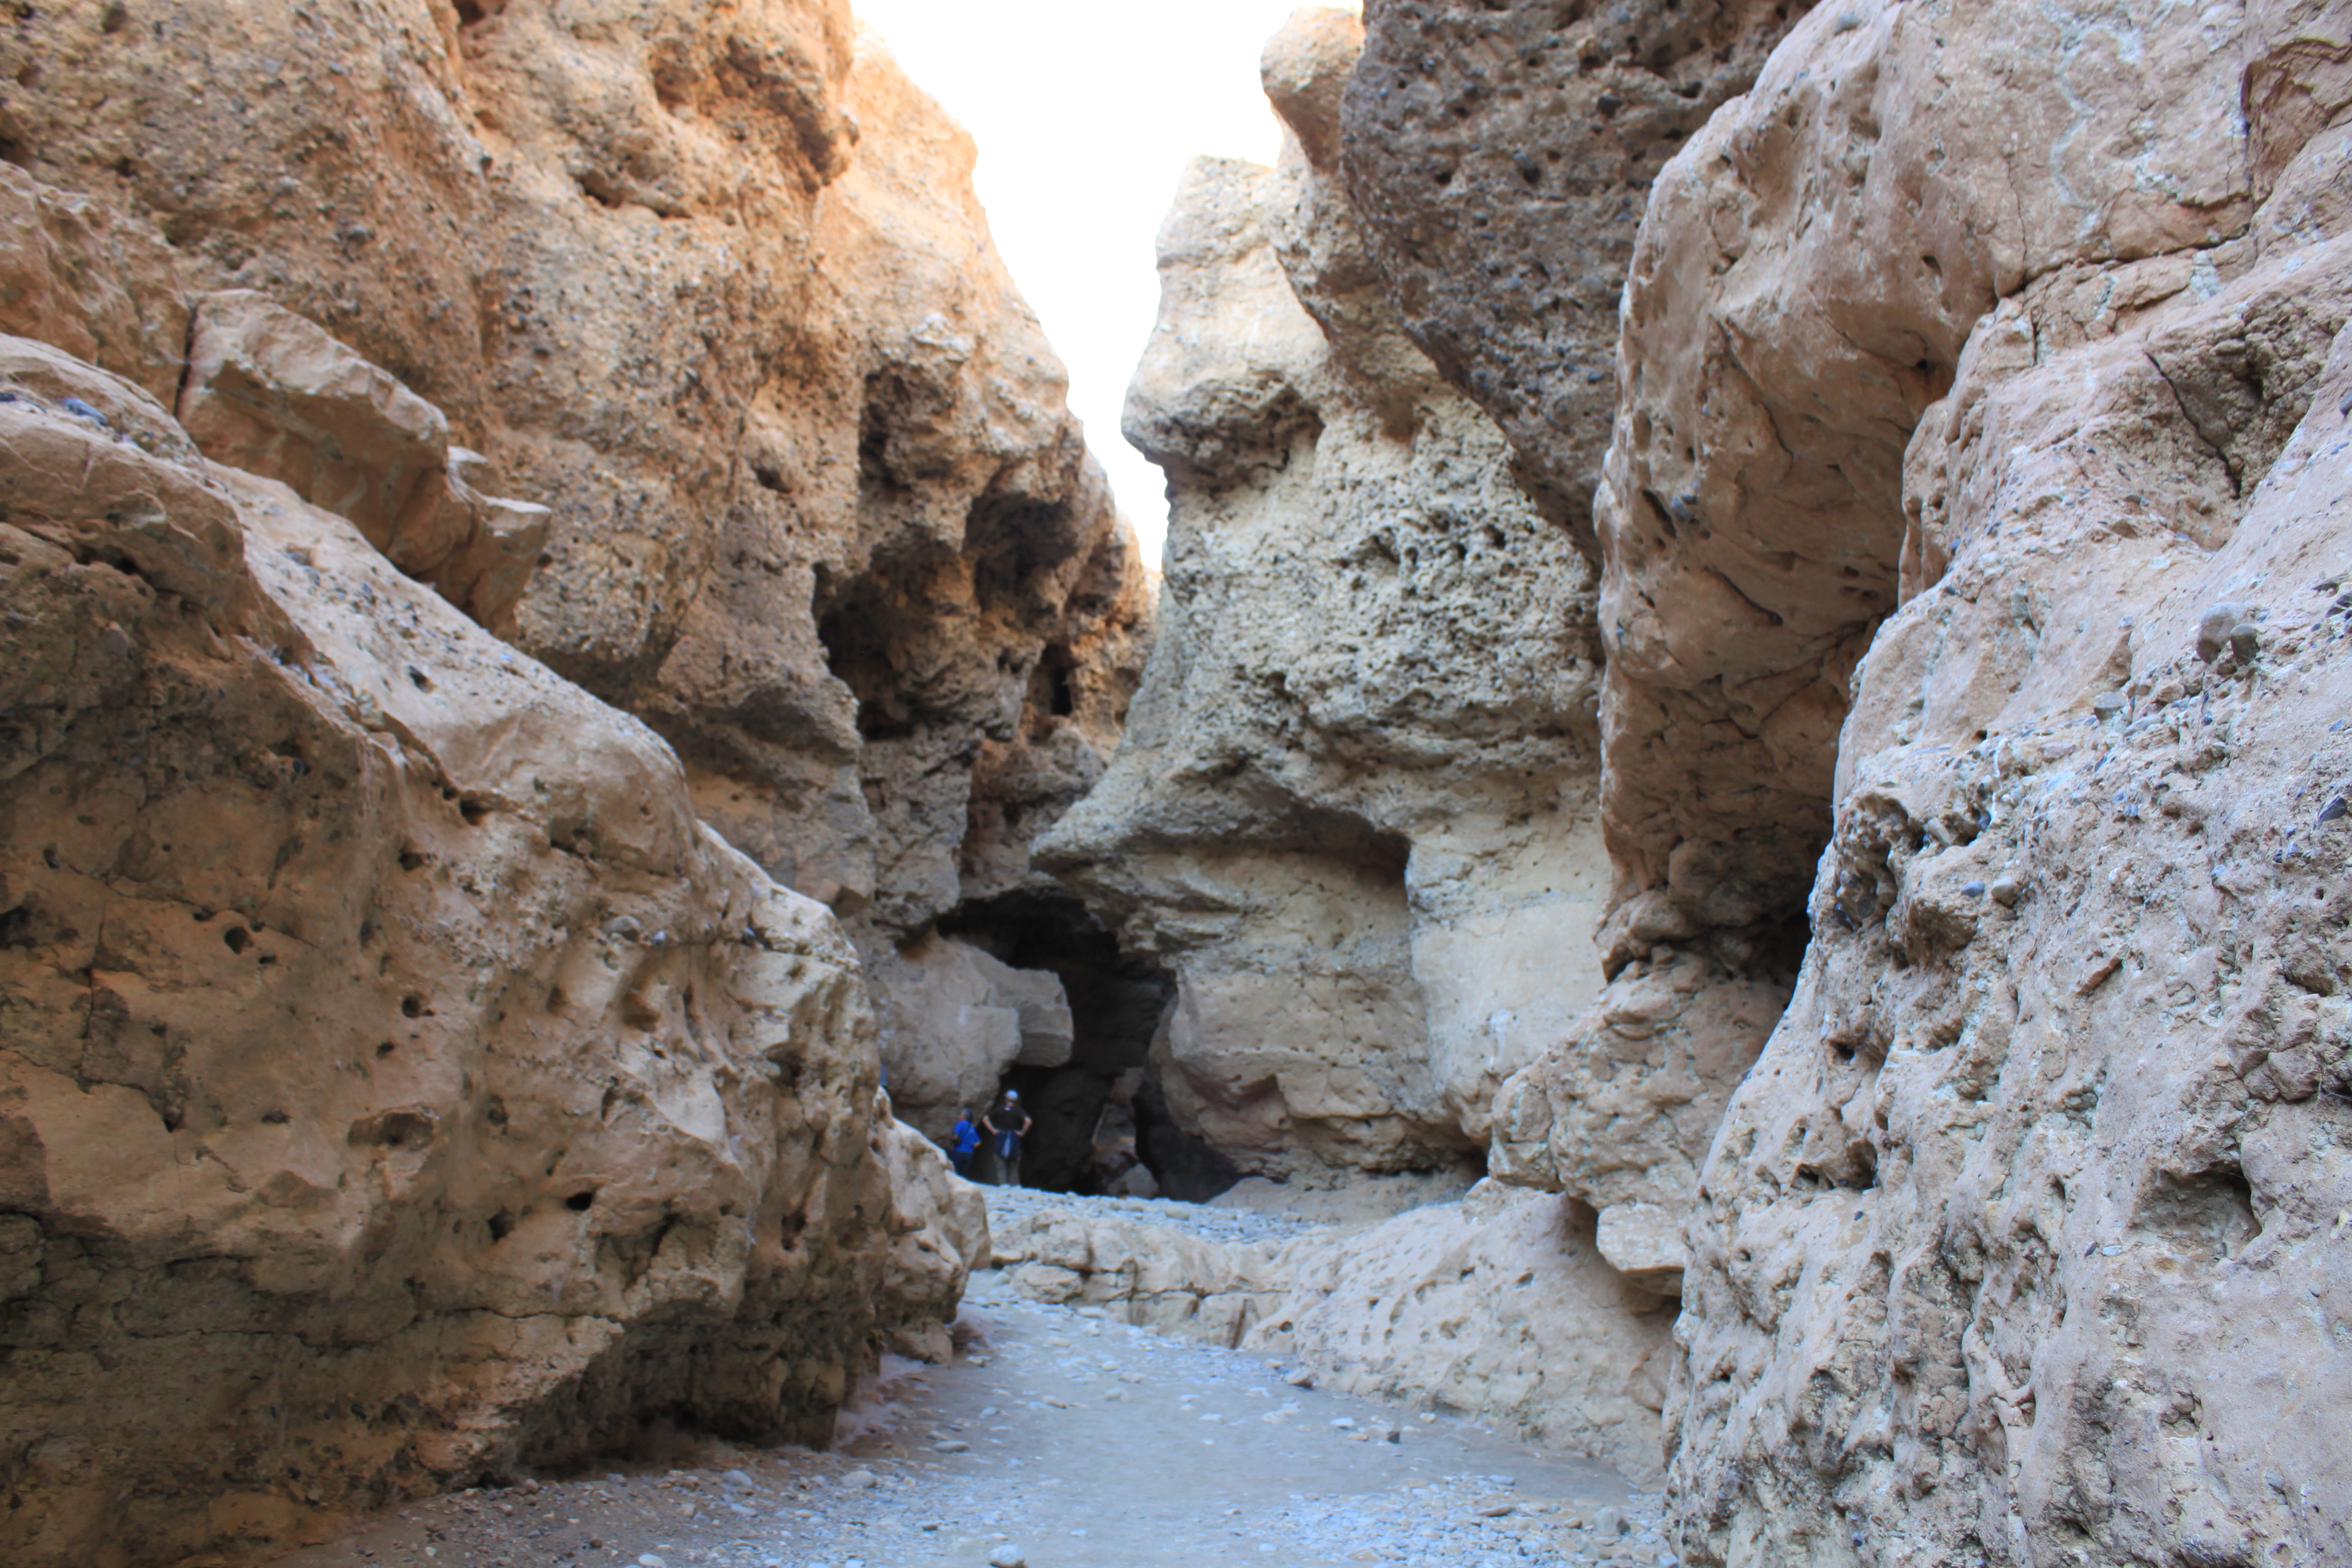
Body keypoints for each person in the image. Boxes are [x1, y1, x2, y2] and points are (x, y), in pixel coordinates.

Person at [979, 1090, 1032, 1188]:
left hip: (1002, 1138)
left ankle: (1003, 1185)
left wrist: (994, 1131)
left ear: (1006, 1099)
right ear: (1016, 1100)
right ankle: (1015, 1185)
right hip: (1014, 1139)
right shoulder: (1018, 1110)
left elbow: (985, 1119)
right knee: (1014, 1164)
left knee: (1000, 1163)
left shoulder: (999, 1109)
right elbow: (1028, 1122)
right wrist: (1022, 1132)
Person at [947, 1108, 980, 1179]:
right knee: (964, 1175)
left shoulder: (961, 1124)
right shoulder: (972, 1128)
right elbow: (978, 1143)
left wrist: (950, 1139)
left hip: (959, 1151)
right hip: (969, 1154)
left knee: (954, 1173)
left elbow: (956, 1137)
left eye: (961, 1115)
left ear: (964, 1116)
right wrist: (969, 1146)